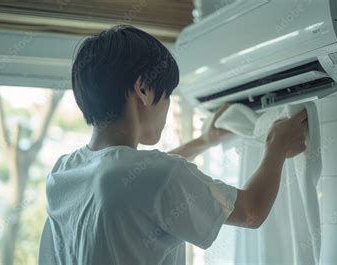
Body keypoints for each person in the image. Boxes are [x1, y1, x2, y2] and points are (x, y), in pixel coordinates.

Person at [39, 25, 307, 265]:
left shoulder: (64, 172)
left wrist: (204, 141)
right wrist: (278, 144)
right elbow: (251, 212)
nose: (167, 107)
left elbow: (133, 182)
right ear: (143, 90)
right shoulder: (156, 176)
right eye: (167, 94)